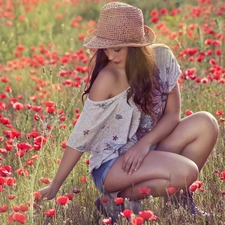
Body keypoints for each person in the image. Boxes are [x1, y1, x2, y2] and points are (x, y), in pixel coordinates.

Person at [37, 2, 219, 223]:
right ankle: (115, 200)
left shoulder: (162, 59)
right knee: (187, 172)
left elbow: (173, 114)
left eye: (117, 48)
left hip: (148, 148)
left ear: (136, 46)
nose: (110, 55)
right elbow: (80, 136)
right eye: (105, 48)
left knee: (206, 123)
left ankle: (179, 201)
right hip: (114, 163)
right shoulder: (108, 79)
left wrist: (144, 145)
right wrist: (55, 185)